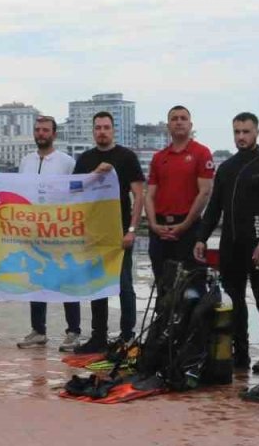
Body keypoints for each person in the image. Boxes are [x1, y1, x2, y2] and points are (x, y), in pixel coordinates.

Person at [194, 113, 259, 374]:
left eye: (246, 131)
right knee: (234, 300)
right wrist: (202, 236)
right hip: (231, 245)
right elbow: (214, 208)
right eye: (237, 132)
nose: (241, 137)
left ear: (257, 132)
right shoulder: (227, 168)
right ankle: (241, 351)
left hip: (256, 245)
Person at [72, 112, 145, 354]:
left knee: (124, 284)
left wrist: (132, 230)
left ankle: (127, 336)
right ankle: (98, 336)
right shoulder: (85, 159)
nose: (102, 131)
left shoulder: (126, 157)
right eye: (98, 128)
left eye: (106, 127)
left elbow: (139, 196)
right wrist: (95, 175)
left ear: (113, 130)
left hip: (120, 233)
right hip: (94, 235)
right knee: (97, 286)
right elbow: (73, 191)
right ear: (93, 131)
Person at [16, 116, 82, 352]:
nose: (41, 134)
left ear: (54, 134)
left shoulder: (66, 162)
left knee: (66, 280)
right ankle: (38, 330)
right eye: (37, 130)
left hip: (60, 231)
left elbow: (78, 190)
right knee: (37, 280)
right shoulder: (25, 161)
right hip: (32, 231)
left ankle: (73, 331)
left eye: (45, 130)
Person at [146, 106, 215, 290]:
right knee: (163, 285)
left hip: (188, 229)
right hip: (160, 230)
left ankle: (190, 320)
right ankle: (163, 318)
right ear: (168, 125)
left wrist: (184, 226)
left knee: (192, 287)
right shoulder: (159, 157)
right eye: (174, 118)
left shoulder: (202, 153)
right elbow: (149, 194)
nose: (178, 122)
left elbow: (205, 192)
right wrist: (153, 225)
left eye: (183, 118)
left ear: (190, 124)